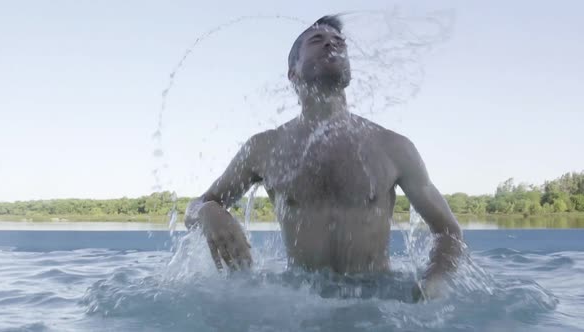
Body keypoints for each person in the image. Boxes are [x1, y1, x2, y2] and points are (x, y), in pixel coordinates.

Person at [184, 15, 463, 301]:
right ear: (292, 72)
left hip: (377, 303)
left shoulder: (393, 147)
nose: (332, 43)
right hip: (301, 304)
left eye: (339, 41)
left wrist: (435, 281)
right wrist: (209, 212)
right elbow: (195, 207)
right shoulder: (265, 148)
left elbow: (447, 230)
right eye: (317, 40)